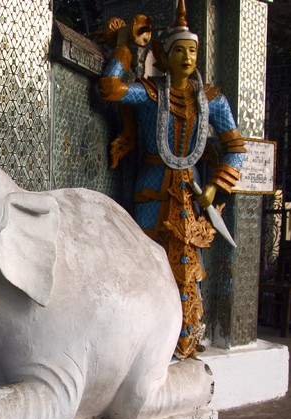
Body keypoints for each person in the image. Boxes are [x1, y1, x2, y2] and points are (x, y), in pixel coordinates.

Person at [98, 0, 246, 359]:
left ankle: (186, 335)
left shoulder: (213, 100)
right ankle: (144, 333)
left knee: (186, 263)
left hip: (192, 193)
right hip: (151, 186)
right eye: (179, 50)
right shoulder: (150, 94)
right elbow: (111, 88)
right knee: (146, 258)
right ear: (165, 54)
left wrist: (214, 186)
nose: (187, 57)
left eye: (192, 51)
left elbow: (236, 147)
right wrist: (123, 47)